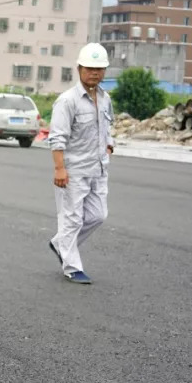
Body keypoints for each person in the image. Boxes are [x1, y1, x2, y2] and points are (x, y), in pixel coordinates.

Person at [48, 43, 114, 284]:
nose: (94, 73)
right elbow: (57, 137)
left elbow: (108, 126)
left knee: (98, 216)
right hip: (73, 170)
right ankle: (72, 266)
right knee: (72, 218)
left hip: (98, 169)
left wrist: (109, 144)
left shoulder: (106, 99)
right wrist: (59, 168)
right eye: (89, 68)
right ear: (79, 69)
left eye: (99, 69)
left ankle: (60, 243)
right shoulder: (67, 101)